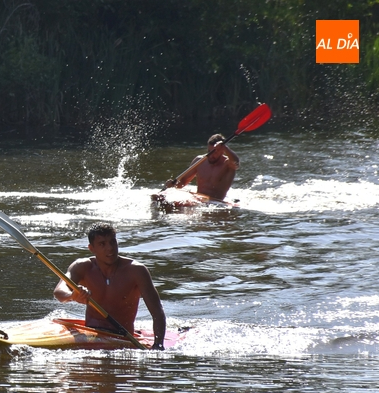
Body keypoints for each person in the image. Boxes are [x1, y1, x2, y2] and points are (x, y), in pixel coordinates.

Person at [53, 222, 167, 350]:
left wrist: (158, 344)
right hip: (92, 333)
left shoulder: (136, 271)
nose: (110, 248)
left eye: (112, 242)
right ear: (91, 248)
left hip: (122, 337)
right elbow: (59, 291)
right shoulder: (82, 267)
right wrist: (73, 296)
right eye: (102, 244)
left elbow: (157, 312)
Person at [165, 133, 240, 201]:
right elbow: (183, 181)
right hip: (198, 199)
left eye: (215, 152)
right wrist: (173, 185)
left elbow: (236, 162)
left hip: (216, 202)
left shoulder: (227, 164)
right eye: (209, 151)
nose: (211, 155)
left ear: (223, 151)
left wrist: (225, 147)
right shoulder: (199, 161)